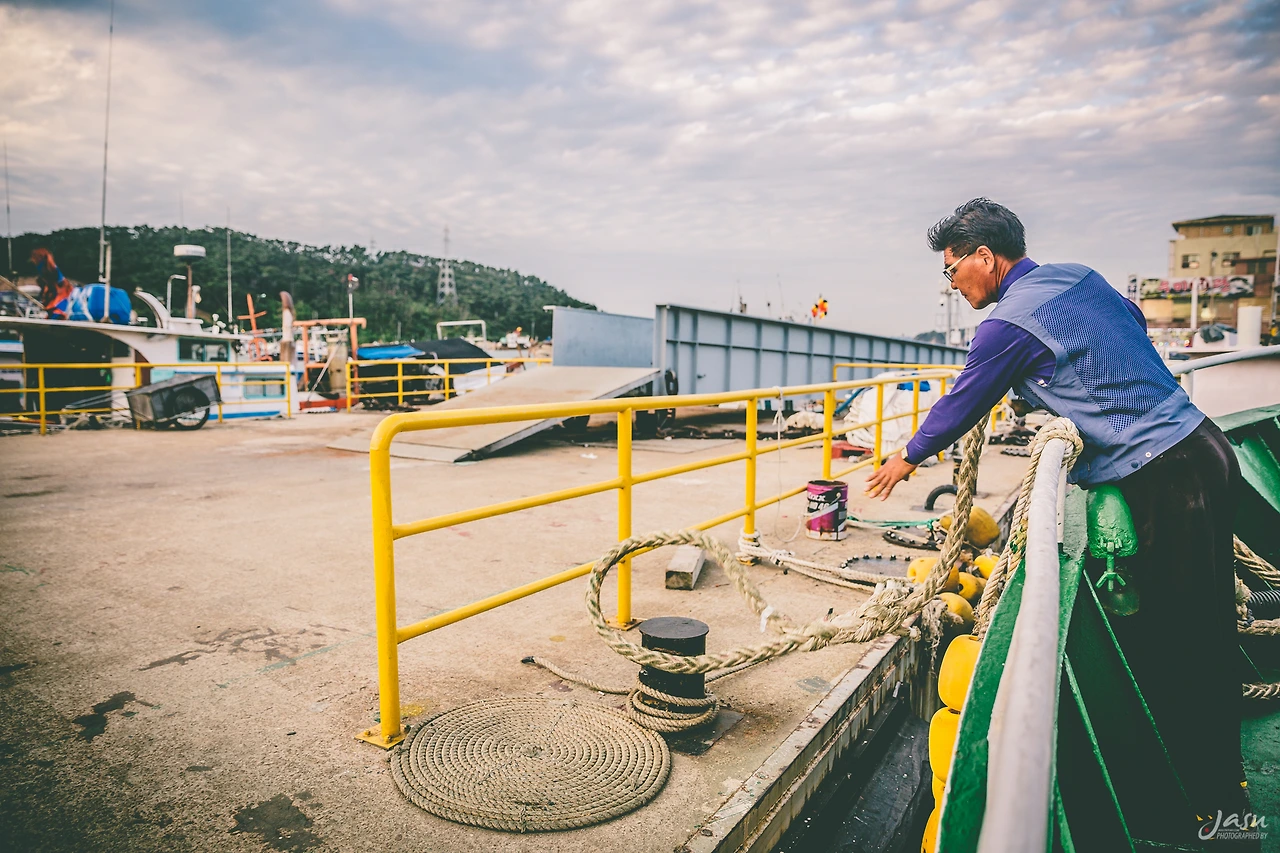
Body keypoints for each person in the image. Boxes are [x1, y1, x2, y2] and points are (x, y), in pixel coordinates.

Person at [864, 198, 1254, 846]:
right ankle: (1219, 789)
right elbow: (1125, 323)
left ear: (985, 256)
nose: (952, 284)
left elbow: (965, 399)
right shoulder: (1077, 277)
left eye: (953, 269)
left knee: (1181, 639)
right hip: (1206, 448)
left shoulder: (1005, 325)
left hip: (1165, 476)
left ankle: (1220, 817)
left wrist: (906, 457)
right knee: (1209, 626)